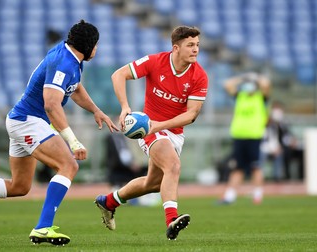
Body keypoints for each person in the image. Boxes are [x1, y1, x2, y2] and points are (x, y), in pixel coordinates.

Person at [0, 20, 118, 246]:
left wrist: (96, 110)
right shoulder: (64, 62)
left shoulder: (71, 58)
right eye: (96, 45)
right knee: (69, 165)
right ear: (88, 45)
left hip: (23, 120)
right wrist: (74, 141)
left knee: (19, 186)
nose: (97, 50)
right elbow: (51, 104)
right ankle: (42, 227)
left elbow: (75, 87)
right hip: (28, 122)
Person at [95, 25, 208, 240]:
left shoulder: (199, 76)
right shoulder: (155, 62)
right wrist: (125, 107)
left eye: (197, 45)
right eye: (190, 45)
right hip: (148, 130)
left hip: (171, 132)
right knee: (173, 166)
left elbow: (191, 115)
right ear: (176, 48)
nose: (196, 50)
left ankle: (108, 202)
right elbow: (118, 75)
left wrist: (160, 126)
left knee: (153, 184)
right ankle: (171, 220)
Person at [219, 72, 270, 205]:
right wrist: (243, 78)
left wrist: (255, 77)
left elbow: (266, 84)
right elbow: (227, 84)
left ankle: (258, 194)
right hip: (239, 136)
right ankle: (229, 196)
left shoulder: (261, 97)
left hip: (254, 136)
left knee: (255, 166)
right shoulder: (240, 96)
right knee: (237, 167)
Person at [260, 101, 302, 181]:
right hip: (265, 148)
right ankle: (260, 178)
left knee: (283, 154)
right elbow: (265, 139)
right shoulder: (266, 123)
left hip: (277, 148)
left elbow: (286, 136)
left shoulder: (282, 124)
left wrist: (292, 141)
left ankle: (278, 179)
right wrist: (272, 148)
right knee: (262, 156)